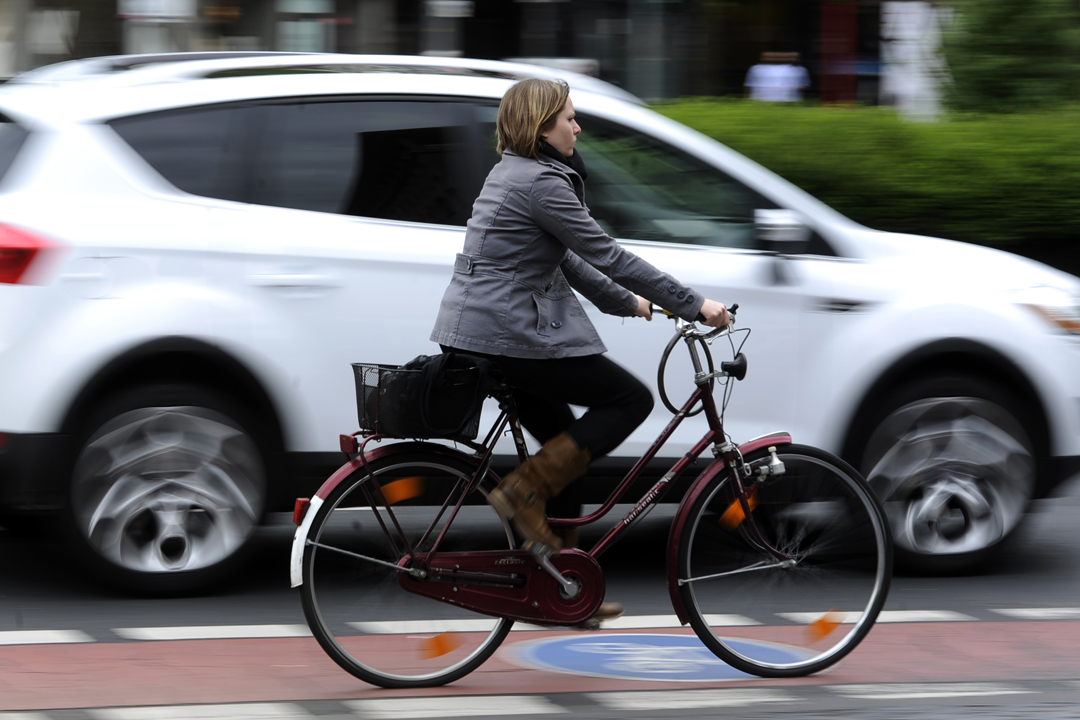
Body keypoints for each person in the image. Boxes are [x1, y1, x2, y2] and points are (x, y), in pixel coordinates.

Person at [430, 78, 728, 619]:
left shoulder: (512, 174)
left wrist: (632, 304)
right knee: (628, 401)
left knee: (565, 449)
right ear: (540, 126)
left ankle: (561, 589)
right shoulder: (541, 183)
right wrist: (693, 303)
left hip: (481, 331)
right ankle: (521, 495)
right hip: (504, 335)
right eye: (568, 117)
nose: (577, 126)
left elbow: (569, 260)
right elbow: (608, 254)